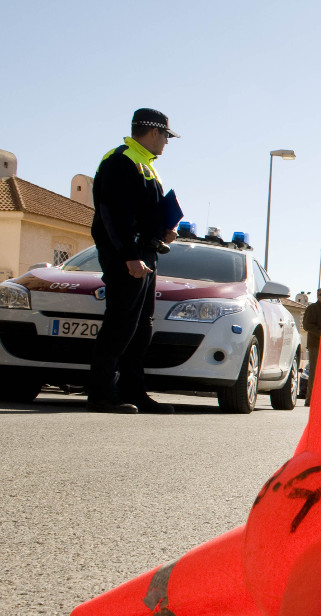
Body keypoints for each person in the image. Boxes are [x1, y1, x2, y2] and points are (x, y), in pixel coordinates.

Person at [87, 108, 181, 414]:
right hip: (128, 254)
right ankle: (102, 393)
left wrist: (164, 229)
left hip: (146, 252)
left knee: (141, 326)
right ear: (154, 132)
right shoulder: (121, 159)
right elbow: (112, 213)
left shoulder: (146, 164)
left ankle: (133, 390)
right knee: (121, 322)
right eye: (166, 136)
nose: (167, 143)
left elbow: (143, 210)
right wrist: (128, 256)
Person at [303, 287, 321, 406]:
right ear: (318, 296)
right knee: (314, 372)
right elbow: (307, 325)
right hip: (315, 345)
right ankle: (310, 399)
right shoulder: (313, 308)